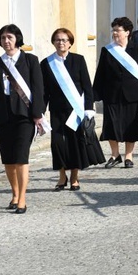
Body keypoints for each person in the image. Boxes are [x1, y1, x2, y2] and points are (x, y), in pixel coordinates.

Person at [0, 24, 46, 214]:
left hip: (24, 117)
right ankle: (15, 193)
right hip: (3, 117)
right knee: (8, 160)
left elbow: (38, 89)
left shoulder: (30, 61)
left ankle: (23, 199)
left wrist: (37, 114)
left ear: (17, 39)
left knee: (20, 157)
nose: (6, 41)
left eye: (9, 37)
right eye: (3, 38)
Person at [41, 28, 104, 192]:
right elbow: (44, 92)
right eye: (57, 40)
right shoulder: (47, 63)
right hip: (57, 111)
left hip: (76, 110)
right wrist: (40, 112)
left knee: (75, 144)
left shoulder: (78, 60)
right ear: (53, 42)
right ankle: (62, 175)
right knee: (57, 144)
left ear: (70, 43)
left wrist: (89, 108)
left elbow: (87, 87)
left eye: (64, 40)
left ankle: (74, 177)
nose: (60, 42)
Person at [93, 17, 138, 169]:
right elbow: (101, 73)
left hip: (133, 94)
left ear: (127, 32)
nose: (115, 33)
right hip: (112, 94)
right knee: (111, 124)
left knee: (130, 125)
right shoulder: (107, 50)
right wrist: (95, 95)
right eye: (113, 30)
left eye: (118, 30)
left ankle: (129, 156)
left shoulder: (137, 48)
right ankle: (115, 155)